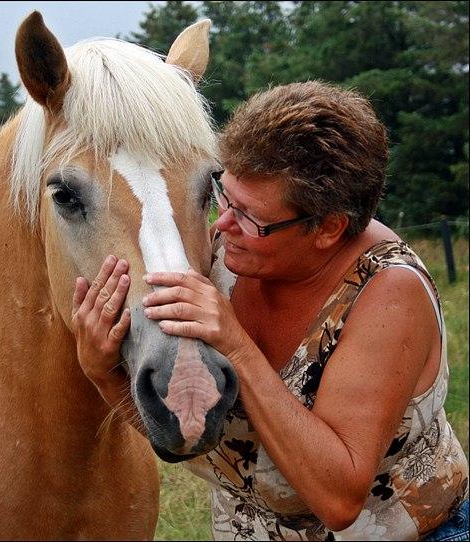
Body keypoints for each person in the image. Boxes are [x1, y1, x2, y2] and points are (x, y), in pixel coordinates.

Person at [71, 81, 468, 540]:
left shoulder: (387, 293)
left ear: (328, 228)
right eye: (223, 196)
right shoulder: (225, 253)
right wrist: (102, 370)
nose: (221, 226)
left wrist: (237, 346)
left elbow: (338, 500)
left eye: (250, 217)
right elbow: (185, 433)